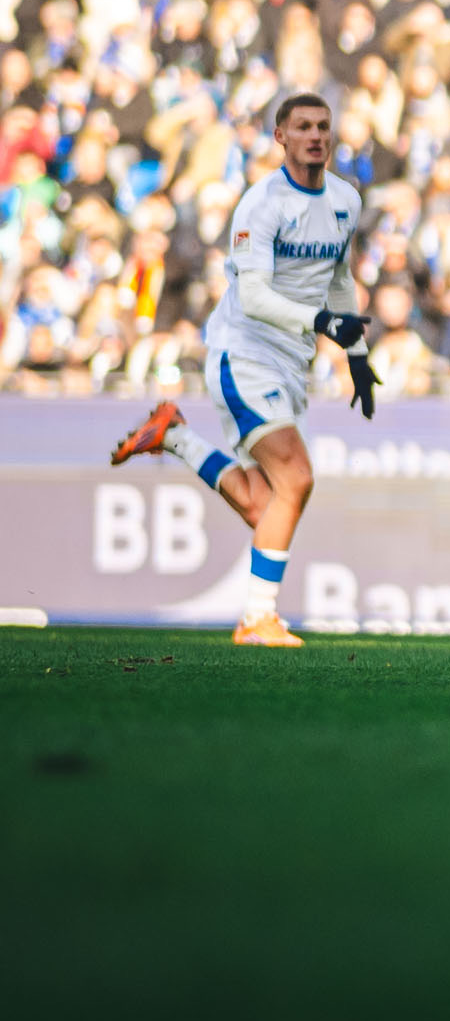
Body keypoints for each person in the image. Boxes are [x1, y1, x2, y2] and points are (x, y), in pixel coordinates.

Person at [106, 93, 378, 647]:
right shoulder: (261, 204)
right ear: (281, 137)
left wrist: (358, 358)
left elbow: (340, 278)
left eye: (323, 126)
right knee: (297, 478)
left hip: (290, 364)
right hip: (244, 353)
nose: (316, 135)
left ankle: (175, 436)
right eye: (302, 126)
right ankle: (256, 619)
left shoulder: (346, 199)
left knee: (265, 504)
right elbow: (252, 297)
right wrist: (326, 323)